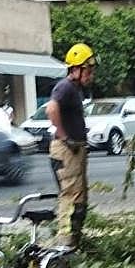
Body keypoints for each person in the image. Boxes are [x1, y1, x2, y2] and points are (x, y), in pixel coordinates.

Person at [46, 43, 96, 249]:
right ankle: (63, 244)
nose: (91, 75)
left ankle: (74, 243)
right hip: (66, 151)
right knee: (70, 198)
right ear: (76, 69)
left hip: (75, 149)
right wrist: (64, 136)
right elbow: (51, 109)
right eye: (88, 70)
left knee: (79, 199)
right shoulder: (65, 87)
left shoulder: (75, 90)